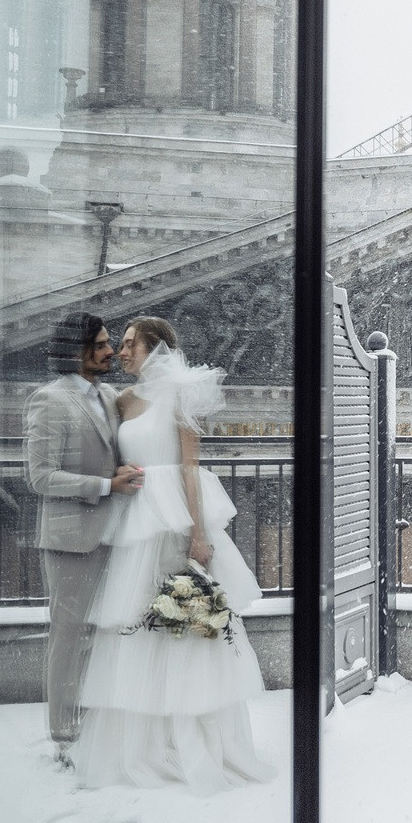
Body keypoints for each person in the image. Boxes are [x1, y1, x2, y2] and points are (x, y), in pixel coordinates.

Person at [74, 317, 275, 791]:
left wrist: (198, 534)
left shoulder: (182, 394)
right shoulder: (122, 400)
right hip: (136, 522)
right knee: (138, 627)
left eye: (130, 344)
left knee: (184, 625)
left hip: (175, 519)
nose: (121, 352)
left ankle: (190, 741)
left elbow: (190, 466)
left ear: (156, 348)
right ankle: (143, 746)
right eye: (121, 345)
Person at [23, 313, 141, 762]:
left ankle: (96, 728)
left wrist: (121, 472)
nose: (111, 351)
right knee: (69, 637)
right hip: (71, 540)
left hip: (116, 534)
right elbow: (41, 477)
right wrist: (107, 485)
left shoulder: (109, 396)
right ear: (77, 350)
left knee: (105, 633)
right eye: (102, 344)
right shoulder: (48, 400)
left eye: (111, 343)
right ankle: (64, 738)